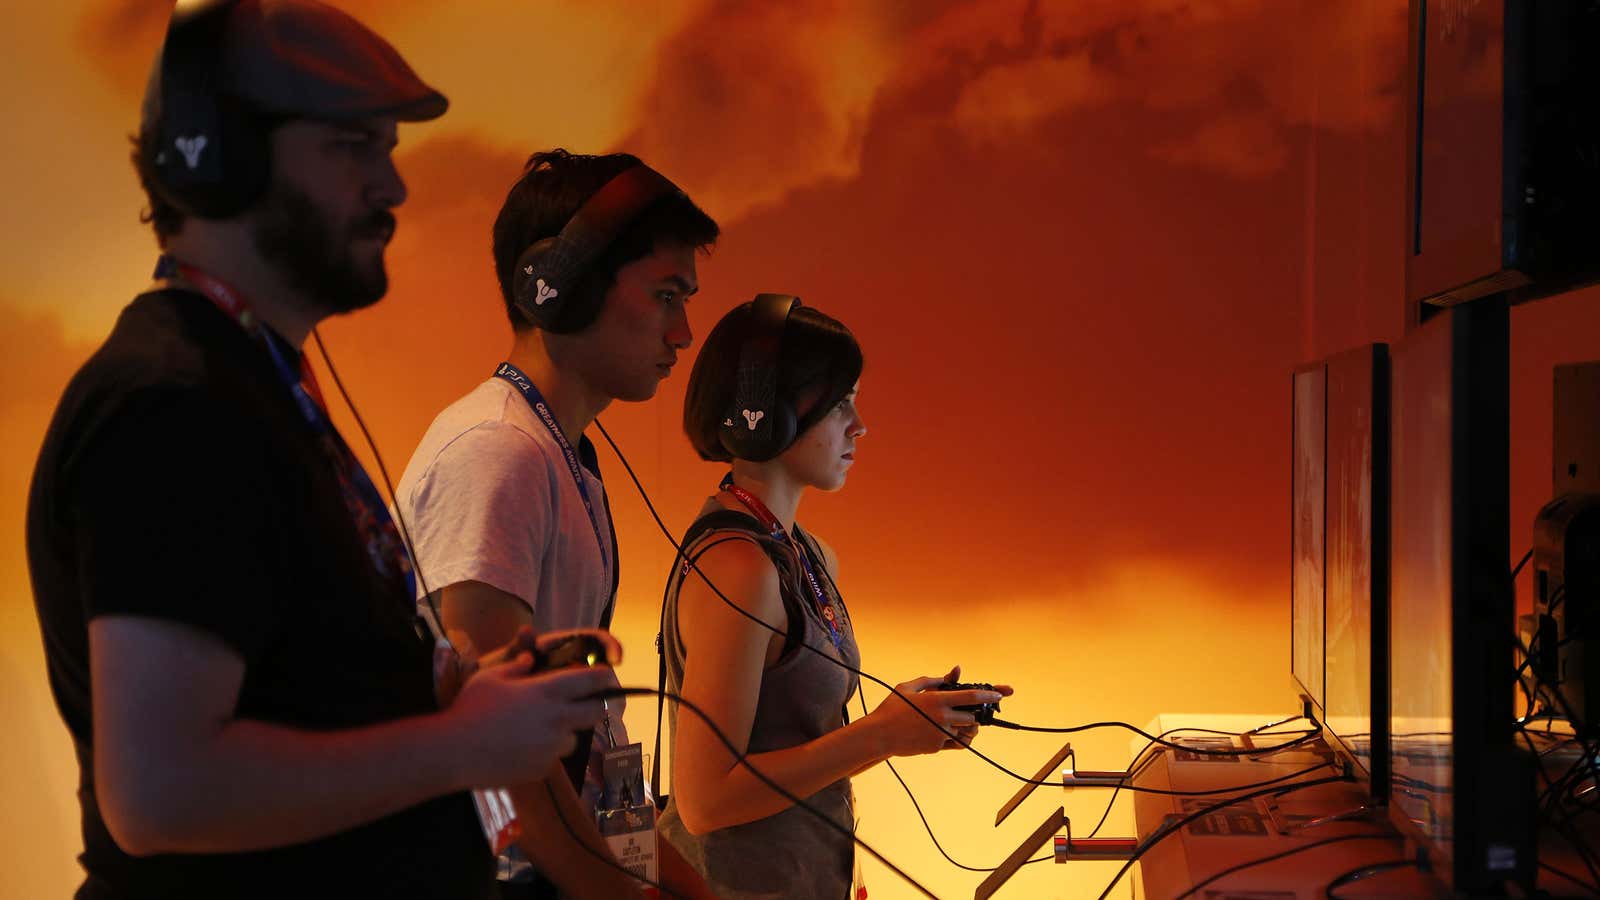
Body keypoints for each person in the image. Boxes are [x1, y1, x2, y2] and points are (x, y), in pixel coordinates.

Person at [25, 3, 616, 898]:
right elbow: (160, 794)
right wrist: (461, 744)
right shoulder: (174, 406)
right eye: (354, 146)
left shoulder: (249, 385)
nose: (394, 186)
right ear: (218, 154)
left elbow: (295, 696)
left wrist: (455, 691)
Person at [392, 149, 720, 897]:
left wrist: (678, 887)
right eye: (666, 295)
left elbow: (593, 741)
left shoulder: (563, 459)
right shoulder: (498, 454)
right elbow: (504, 766)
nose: (684, 332)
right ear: (561, 289)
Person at [656, 295, 1010, 899]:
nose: (859, 425)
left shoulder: (805, 553)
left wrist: (900, 719)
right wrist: (881, 736)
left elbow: (807, 745)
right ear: (765, 414)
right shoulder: (739, 568)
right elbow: (705, 799)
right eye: (839, 403)